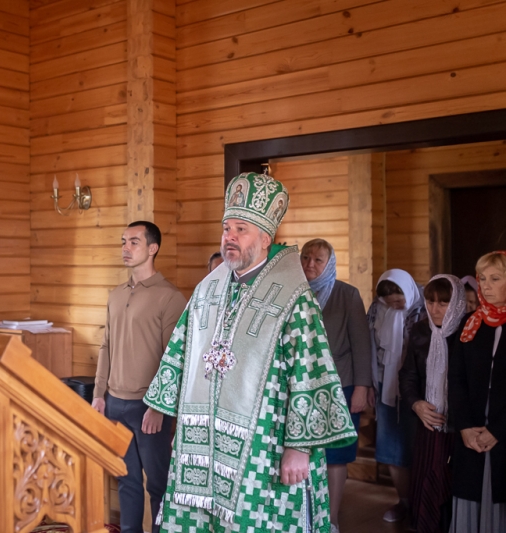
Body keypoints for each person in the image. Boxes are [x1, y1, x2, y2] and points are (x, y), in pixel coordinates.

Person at [144, 172, 356, 533]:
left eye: (241, 229)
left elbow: (309, 371)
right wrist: (158, 403)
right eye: (227, 228)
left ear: (265, 238)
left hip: (265, 444)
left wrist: (299, 448)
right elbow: (181, 347)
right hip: (204, 440)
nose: (230, 237)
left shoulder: (294, 297)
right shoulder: (208, 288)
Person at [92, 221, 187, 533]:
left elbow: (174, 359)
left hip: (149, 408)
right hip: (115, 404)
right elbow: (105, 346)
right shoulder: (115, 295)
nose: (125, 248)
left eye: (133, 242)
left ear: (152, 248)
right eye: (123, 242)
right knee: (126, 482)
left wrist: (160, 407)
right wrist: (98, 395)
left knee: (158, 486)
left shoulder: (169, 297)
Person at [300, 238, 372, 533]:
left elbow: (361, 345)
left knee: (336, 455)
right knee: (303, 452)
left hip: (340, 386)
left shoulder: (347, 295)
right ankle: (304, 514)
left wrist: (361, 388)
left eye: (318, 260)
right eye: (306, 258)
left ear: (329, 264)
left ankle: (331, 518)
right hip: (301, 387)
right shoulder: (293, 292)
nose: (310, 265)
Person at [400, 275, 467, 533]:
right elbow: (408, 375)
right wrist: (416, 404)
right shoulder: (420, 330)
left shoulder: (469, 331)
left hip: (461, 427)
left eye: (443, 303)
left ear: (457, 303)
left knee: (453, 485)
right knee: (428, 480)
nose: (435, 309)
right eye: (430, 301)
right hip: (429, 423)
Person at [449, 251, 506, 532]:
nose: (485, 285)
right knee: (470, 495)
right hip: (471, 430)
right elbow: (456, 379)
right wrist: (465, 427)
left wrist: (498, 430)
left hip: (502, 431)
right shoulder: (470, 323)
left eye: (495, 279)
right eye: (482, 278)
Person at [368, 269, 424, 523]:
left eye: (399, 299)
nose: (395, 305)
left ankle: (424, 505)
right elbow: (370, 348)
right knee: (391, 448)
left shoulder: (423, 308)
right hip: (386, 386)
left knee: (418, 447)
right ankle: (404, 502)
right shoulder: (377, 311)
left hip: (418, 391)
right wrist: (369, 384)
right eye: (389, 301)